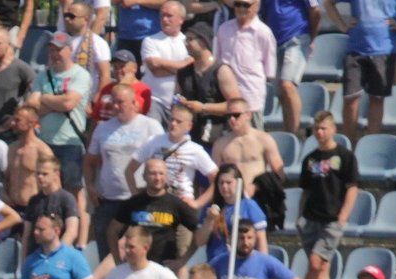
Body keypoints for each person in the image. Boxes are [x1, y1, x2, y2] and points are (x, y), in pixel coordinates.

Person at [85, 82, 164, 249]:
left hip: (138, 199)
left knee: (137, 250)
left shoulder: (150, 126)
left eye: (120, 102)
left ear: (134, 103)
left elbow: (162, 161)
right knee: (106, 250)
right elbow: (90, 161)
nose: (115, 106)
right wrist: (90, 185)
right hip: (108, 200)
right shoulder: (102, 128)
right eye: (113, 101)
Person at [298, 112, 359, 279]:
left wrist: (343, 216)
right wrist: (300, 215)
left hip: (331, 219)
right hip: (311, 218)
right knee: (320, 269)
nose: (320, 132)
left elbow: (352, 187)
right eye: (317, 128)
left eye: (324, 128)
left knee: (316, 262)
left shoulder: (345, 156)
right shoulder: (310, 159)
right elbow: (305, 190)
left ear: (333, 129)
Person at [29, 32, 93, 194]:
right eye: (51, 50)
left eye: (58, 50)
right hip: (45, 142)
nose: (54, 54)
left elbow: (68, 103)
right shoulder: (43, 76)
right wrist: (57, 102)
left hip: (70, 144)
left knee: (73, 189)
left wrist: (44, 98)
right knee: (45, 188)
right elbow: (32, 105)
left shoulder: (80, 75)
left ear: (69, 50)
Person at [329, 0, 396, 145]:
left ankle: (369, 146)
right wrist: (343, 26)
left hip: (384, 48)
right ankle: (349, 147)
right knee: (351, 99)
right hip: (355, 50)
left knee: (377, 99)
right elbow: (328, 4)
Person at [176, 22, 243, 148]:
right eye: (186, 40)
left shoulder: (221, 71)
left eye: (190, 39)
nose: (186, 44)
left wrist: (203, 108)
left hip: (217, 135)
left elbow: (236, 106)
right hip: (190, 135)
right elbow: (176, 98)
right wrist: (181, 103)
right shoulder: (183, 72)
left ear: (203, 41)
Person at [213, 0, 276, 120]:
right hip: (224, 100)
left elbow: (269, 71)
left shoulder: (264, 33)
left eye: (246, 5)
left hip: (251, 98)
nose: (241, 8)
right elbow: (217, 62)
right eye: (237, 4)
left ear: (256, 6)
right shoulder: (223, 29)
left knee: (253, 137)